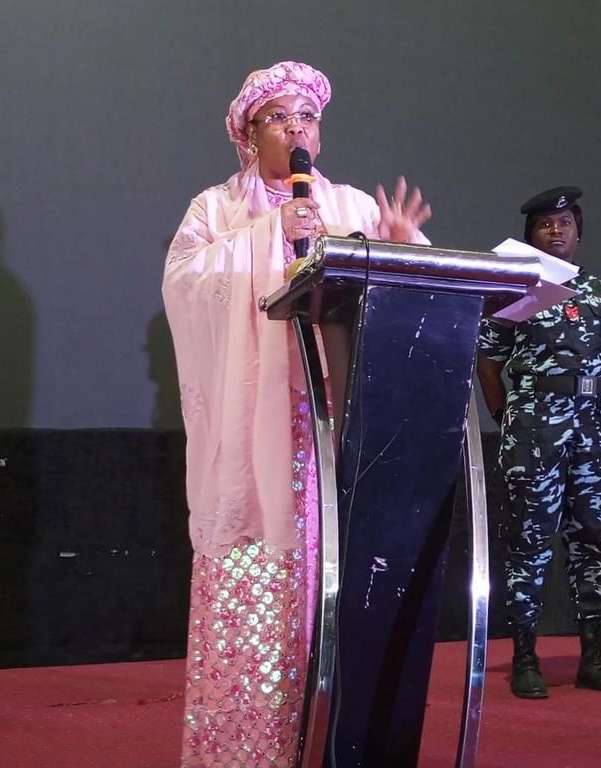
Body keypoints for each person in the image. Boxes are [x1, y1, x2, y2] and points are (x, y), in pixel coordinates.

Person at [162, 61, 430, 767]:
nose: (297, 129)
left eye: (307, 117)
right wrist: (266, 234)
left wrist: (400, 249)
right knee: (257, 613)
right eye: (280, 117)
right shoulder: (216, 209)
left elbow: (402, 304)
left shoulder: (349, 206)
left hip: (340, 442)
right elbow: (185, 285)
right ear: (249, 135)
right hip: (256, 445)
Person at [477, 186, 601, 699]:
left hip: (593, 424)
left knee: (590, 540)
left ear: (578, 231)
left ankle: (595, 657)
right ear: (530, 236)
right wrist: (505, 413)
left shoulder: (600, 291)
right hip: (535, 428)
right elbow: (485, 356)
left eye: (565, 222)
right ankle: (525, 658)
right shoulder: (515, 287)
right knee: (530, 541)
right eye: (546, 223)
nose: (557, 229)